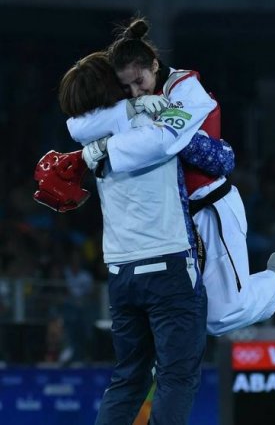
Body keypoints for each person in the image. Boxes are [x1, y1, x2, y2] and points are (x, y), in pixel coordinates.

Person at [65, 17, 275, 339]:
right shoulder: (134, 98)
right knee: (187, 312)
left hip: (212, 207)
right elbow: (76, 126)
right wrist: (133, 107)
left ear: (153, 65)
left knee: (223, 316)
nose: (133, 90)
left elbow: (160, 141)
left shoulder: (186, 88)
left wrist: (102, 146)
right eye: (125, 87)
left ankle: (274, 276)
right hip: (173, 224)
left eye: (139, 82)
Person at [59, 51, 217, 425]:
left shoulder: (89, 135)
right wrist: (142, 106)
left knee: (128, 380)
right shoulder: (149, 119)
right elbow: (197, 116)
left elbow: (76, 125)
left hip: (121, 274)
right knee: (176, 378)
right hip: (169, 269)